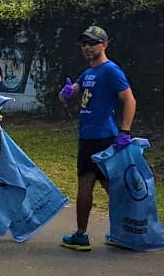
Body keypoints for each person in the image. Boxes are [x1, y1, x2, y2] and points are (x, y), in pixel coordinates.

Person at [58, 24, 136, 252]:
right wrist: (66, 94)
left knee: (88, 184)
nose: (87, 47)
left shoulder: (111, 70)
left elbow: (129, 100)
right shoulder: (88, 73)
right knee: (110, 187)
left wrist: (125, 131)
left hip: (104, 137)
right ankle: (122, 232)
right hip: (88, 136)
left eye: (93, 42)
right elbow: (70, 93)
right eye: (84, 43)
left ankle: (83, 235)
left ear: (105, 45)